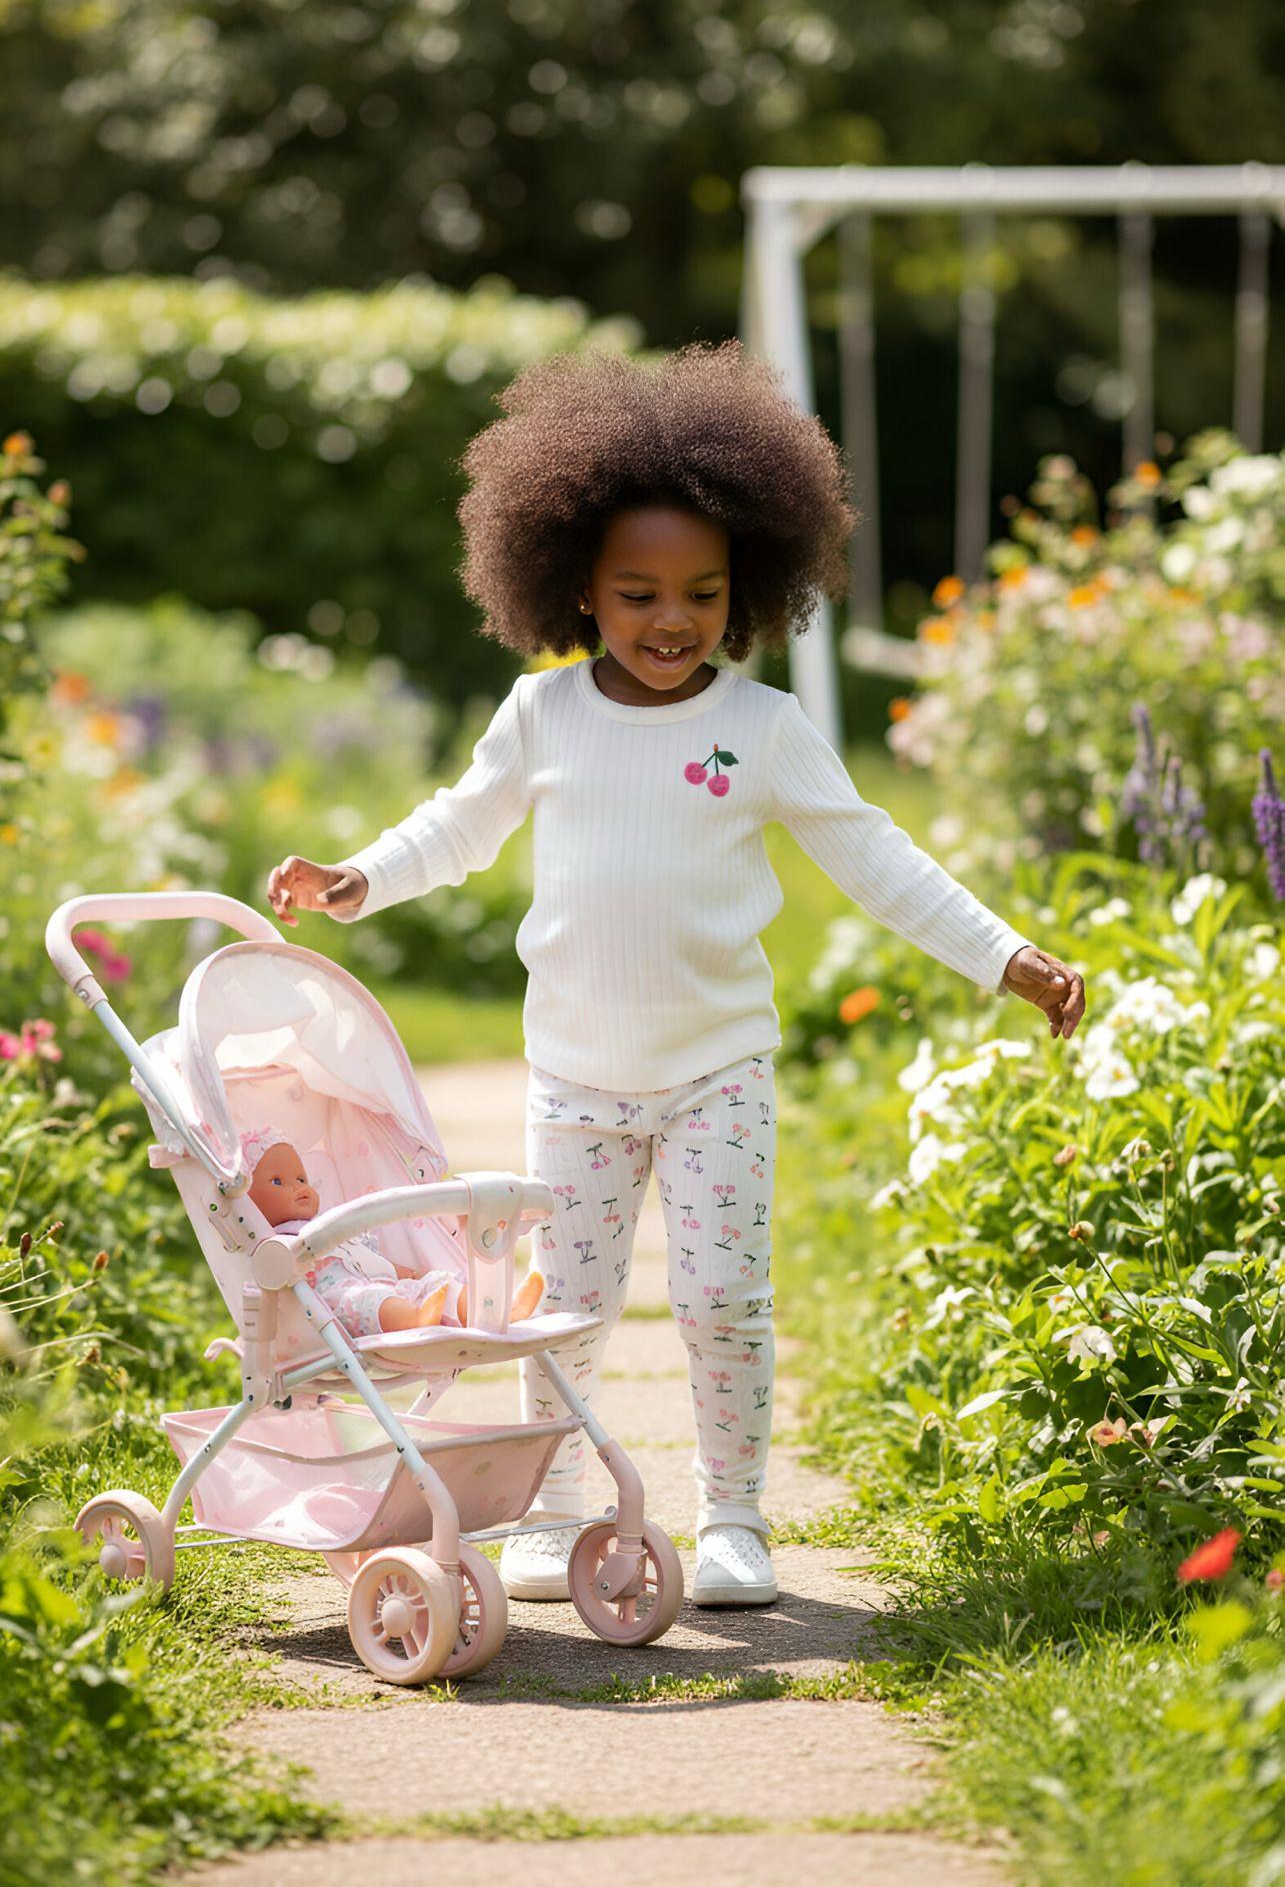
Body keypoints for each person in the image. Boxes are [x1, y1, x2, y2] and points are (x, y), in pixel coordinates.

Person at [266, 340, 1086, 1607]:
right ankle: (549, 1508)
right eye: (638, 591)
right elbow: (458, 824)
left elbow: (879, 858)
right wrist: (359, 878)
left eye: (701, 592)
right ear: (576, 587)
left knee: (722, 1303)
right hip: (576, 1080)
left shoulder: (761, 728)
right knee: (562, 1310)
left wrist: (1006, 955)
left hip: (717, 1075)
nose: (671, 619)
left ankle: (737, 1517)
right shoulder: (541, 715)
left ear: (745, 586)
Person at [240, 1127, 545, 1334]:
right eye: (278, 1182)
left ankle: (498, 1312)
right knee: (366, 1299)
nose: (298, 1188)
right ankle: (414, 1319)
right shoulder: (276, 1243)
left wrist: (410, 1275)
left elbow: (373, 1261)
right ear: (249, 1201)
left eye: (302, 1178)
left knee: (436, 1281)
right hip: (335, 1304)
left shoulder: (331, 1225)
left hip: (383, 1285)